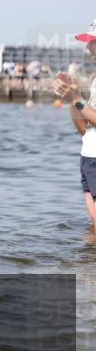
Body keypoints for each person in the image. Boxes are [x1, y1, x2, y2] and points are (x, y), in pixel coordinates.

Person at [54, 18, 96, 229]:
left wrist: (77, 100)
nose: (88, 46)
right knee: (94, 225)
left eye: (92, 41)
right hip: (88, 157)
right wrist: (72, 97)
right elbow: (84, 130)